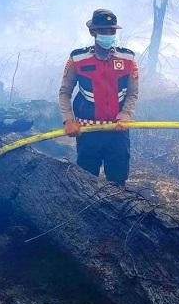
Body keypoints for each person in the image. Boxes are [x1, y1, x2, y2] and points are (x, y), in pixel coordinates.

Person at [59, 9, 139, 185]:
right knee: (86, 180)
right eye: (103, 31)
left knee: (118, 181)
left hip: (118, 131)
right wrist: (68, 120)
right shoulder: (77, 58)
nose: (108, 35)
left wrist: (126, 114)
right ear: (92, 32)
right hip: (88, 131)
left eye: (112, 31)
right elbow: (65, 93)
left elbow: (133, 93)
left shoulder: (128, 58)